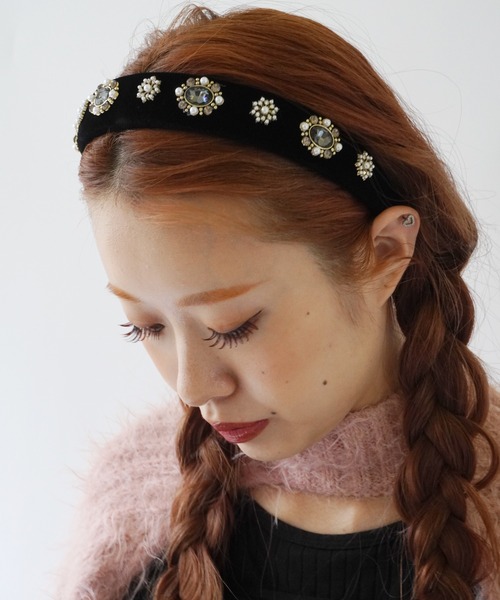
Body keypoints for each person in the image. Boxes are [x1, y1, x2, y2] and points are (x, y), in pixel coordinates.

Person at [59, 5, 500, 600]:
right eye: (146, 327)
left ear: (385, 254)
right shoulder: (129, 503)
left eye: (233, 326)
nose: (192, 388)